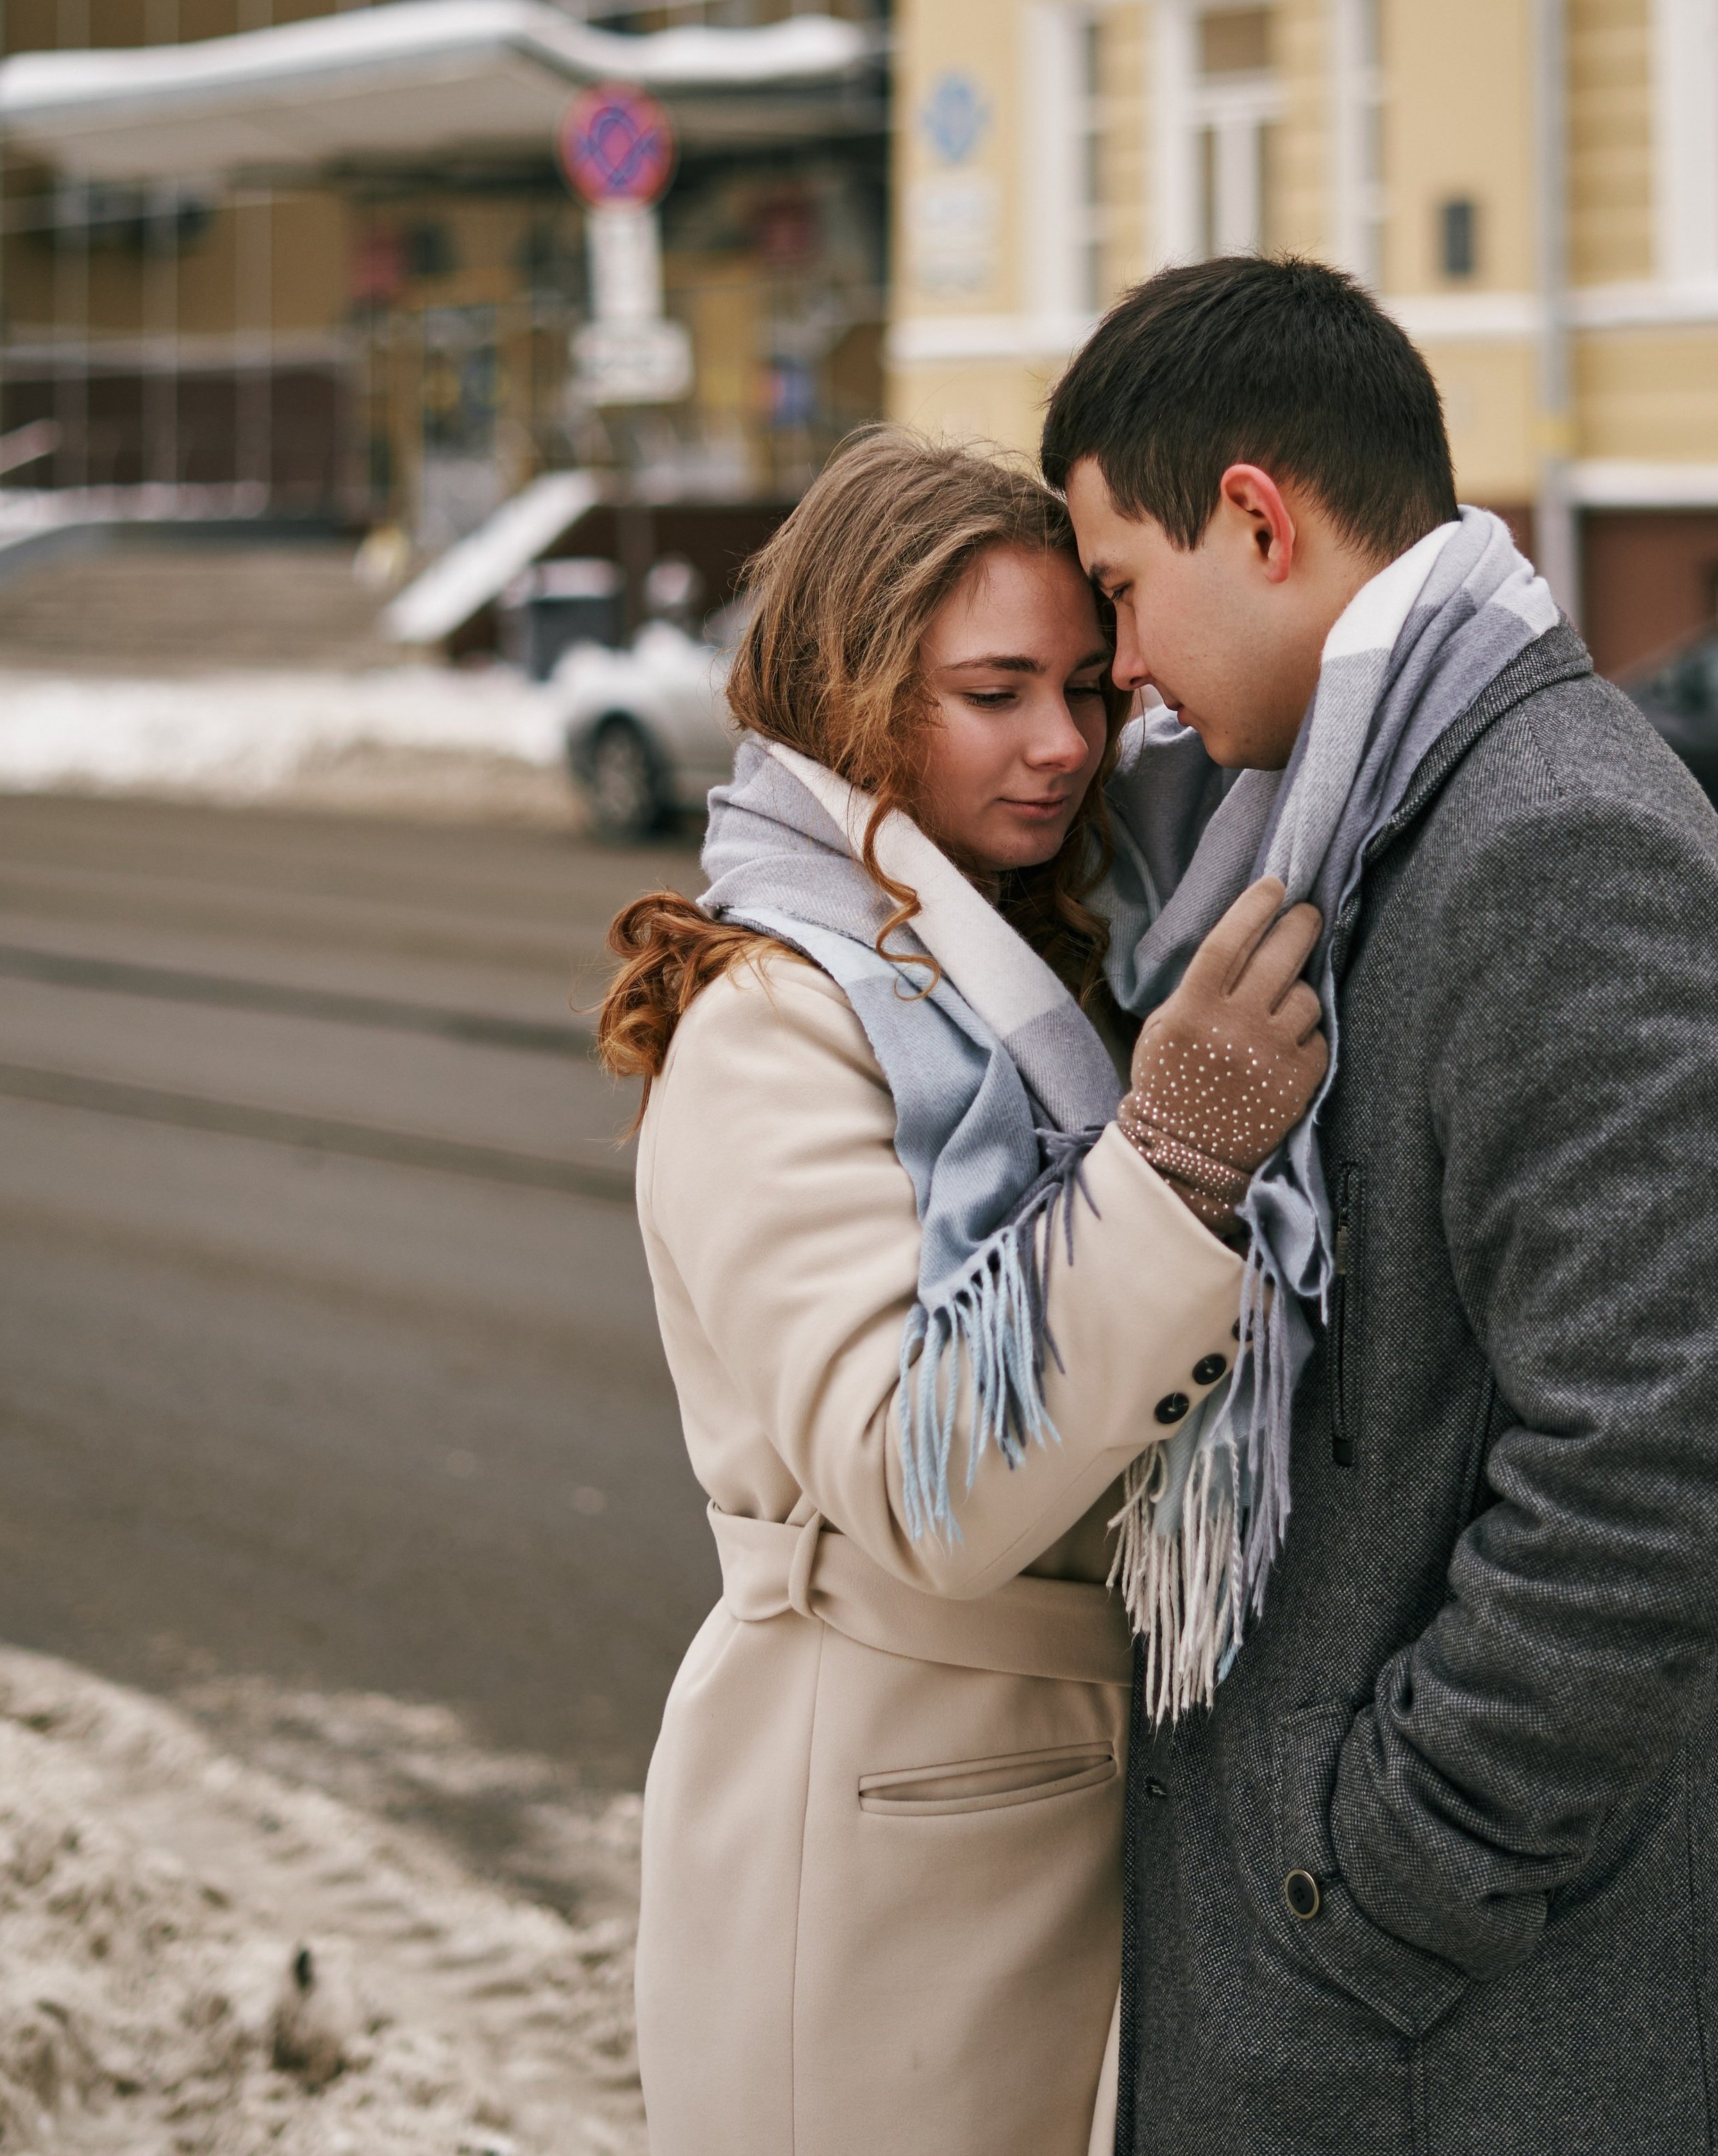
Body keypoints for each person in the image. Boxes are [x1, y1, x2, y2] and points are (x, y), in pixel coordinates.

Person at [1041, 253, 1718, 2156]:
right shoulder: (1361, 823)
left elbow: (1649, 1473)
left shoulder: (1555, 839)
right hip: (1369, 2006)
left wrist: (1376, 1885)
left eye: (1118, 591)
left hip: (1454, 2034)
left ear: (1257, 518)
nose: (1126, 677)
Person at [597, 434, 1328, 2156]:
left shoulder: (1034, 970)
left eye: (1084, 684)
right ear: (849, 698)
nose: (1065, 744)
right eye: (992, 691)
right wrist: (1177, 1161)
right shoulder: (772, 1022)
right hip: (868, 1830)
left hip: (1050, 1790)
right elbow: (916, 1473)